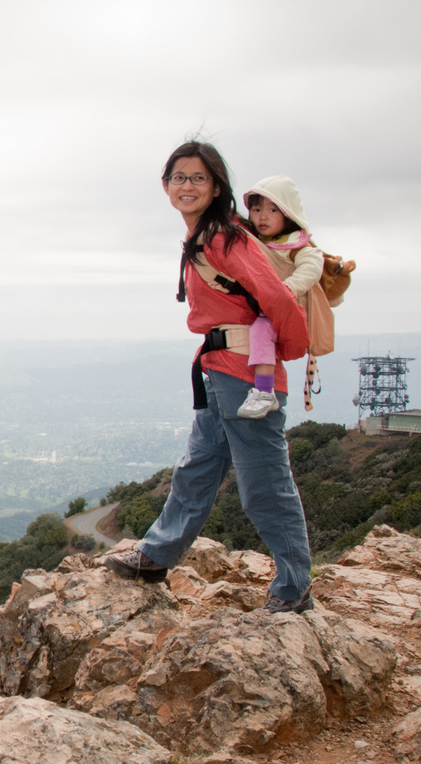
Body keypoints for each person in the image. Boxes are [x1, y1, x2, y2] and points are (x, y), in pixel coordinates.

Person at [105, 141, 314, 613]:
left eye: (199, 177)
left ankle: (294, 589)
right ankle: (156, 556)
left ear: (217, 186)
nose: (188, 186)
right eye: (179, 177)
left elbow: (276, 297)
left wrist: (293, 350)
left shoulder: (225, 237)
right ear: (165, 185)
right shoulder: (204, 236)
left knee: (265, 486)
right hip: (220, 373)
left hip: (248, 379)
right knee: (195, 471)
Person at [236, 176, 325, 419]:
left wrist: (282, 291)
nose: (262, 217)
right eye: (256, 209)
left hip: (289, 309)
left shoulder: (298, 246)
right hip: (271, 307)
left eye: (272, 210)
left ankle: (265, 392)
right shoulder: (258, 242)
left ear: (288, 214)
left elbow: (311, 268)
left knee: (260, 330)